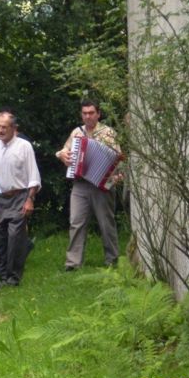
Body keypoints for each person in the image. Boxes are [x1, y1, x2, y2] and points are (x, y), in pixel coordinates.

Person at [56, 99, 121, 270]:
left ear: (98, 114)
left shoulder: (108, 133)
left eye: (91, 113)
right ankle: (73, 263)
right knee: (76, 222)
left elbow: (118, 159)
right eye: (84, 113)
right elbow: (64, 150)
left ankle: (112, 260)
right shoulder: (76, 133)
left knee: (106, 223)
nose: (88, 116)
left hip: (102, 184)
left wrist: (118, 175)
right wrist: (62, 155)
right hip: (81, 184)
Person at [0, 111, 41, 286]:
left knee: (15, 237)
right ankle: (2, 275)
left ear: (13, 128)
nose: (1, 130)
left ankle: (13, 277)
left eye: (5, 127)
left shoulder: (24, 146)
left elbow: (33, 175)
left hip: (19, 196)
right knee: (0, 238)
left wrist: (30, 199)